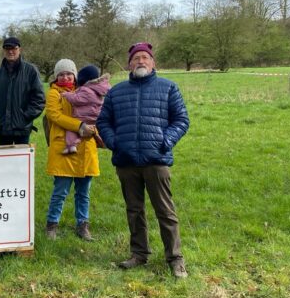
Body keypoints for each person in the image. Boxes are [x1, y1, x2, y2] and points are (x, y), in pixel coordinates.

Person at [96, 42, 190, 278]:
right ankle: (139, 254)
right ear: (129, 64)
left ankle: (175, 258)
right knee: (134, 210)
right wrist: (114, 142)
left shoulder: (168, 88)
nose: (140, 61)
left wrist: (165, 141)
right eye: (136, 58)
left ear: (153, 62)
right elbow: (103, 122)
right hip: (126, 161)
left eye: (145, 58)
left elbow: (181, 120)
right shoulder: (116, 92)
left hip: (156, 159)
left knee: (165, 211)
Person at [44, 59, 100, 241]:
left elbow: (95, 113)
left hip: (85, 149)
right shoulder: (54, 93)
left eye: (69, 73)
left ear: (75, 75)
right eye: (61, 74)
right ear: (56, 76)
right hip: (64, 149)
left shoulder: (86, 91)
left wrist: (94, 130)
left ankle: (82, 225)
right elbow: (55, 115)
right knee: (60, 191)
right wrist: (79, 125)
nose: (65, 77)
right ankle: (51, 225)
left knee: (84, 192)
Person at [0, 36, 45, 145]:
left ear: (19, 49)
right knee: (4, 161)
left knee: (22, 161)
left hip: (22, 129)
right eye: (7, 49)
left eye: (14, 48)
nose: (10, 51)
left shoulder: (31, 71)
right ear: (4, 51)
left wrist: (25, 116)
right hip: (2, 129)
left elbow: (39, 99)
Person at [60, 65, 111, 154]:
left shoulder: (86, 89)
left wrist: (67, 95)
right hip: (94, 117)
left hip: (83, 117)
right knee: (89, 132)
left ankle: (71, 146)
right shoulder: (99, 89)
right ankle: (102, 141)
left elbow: (77, 99)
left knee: (72, 129)